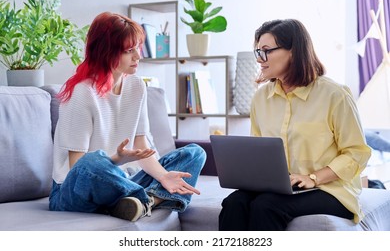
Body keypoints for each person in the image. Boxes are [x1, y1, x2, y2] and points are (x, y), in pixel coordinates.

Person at [49, 12, 206, 222]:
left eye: (137, 48)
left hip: (121, 181)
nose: (138, 57)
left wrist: (163, 175)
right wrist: (117, 159)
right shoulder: (82, 93)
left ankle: (141, 202)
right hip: (72, 191)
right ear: (106, 52)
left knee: (195, 154)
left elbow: (142, 147)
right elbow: (78, 167)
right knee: (94, 161)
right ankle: (147, 198)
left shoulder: (137, 86)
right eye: (128, 50)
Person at [219, 19, 371, 230]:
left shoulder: (335, 95)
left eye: (265, 51)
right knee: (234, 203)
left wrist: (313, 178)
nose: (260, 59)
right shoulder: (261, 98)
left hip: (330, 188)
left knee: (266, 206)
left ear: (293, 51)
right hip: (282, 187)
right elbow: (258, 152)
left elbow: (357, 153)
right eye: (257, 52)